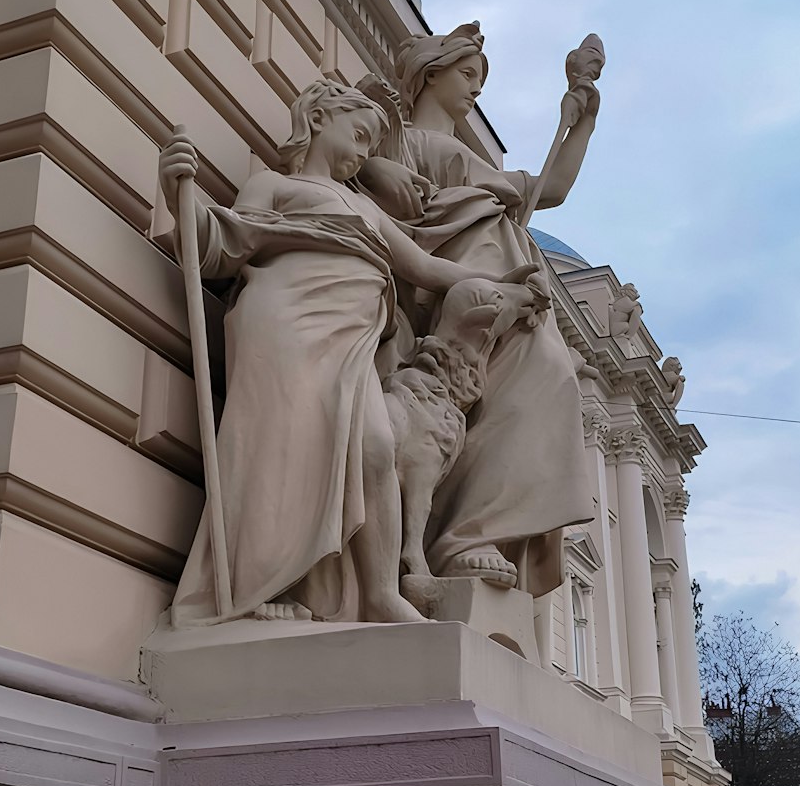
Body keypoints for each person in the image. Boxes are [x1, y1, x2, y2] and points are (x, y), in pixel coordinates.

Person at [159, 79, 538, 626]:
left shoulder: (365, 207)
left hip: (353, 336)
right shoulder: (273, 185)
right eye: (359, 135)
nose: (363, 154)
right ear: (318, 119)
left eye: (369, 145)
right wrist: (181, 195)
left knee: (376, 445)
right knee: (280, 446)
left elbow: (427, 269)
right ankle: (260, 584)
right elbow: (222, 241)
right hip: (286, 319)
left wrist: (506, 286)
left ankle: (382, 593)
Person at [357, 23, 597, 595]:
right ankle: (463, 538)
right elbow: (346, 168)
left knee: (550, 384)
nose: (475, 90)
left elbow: (554, 187)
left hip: (512, 290)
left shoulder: (468, 157)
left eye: (481, 80)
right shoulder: (403, 143)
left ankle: (478, 531)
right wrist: (373, 166)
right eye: (467, 75)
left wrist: (582, 118)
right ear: (429, 74)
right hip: (465, 294)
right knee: (507, 399)